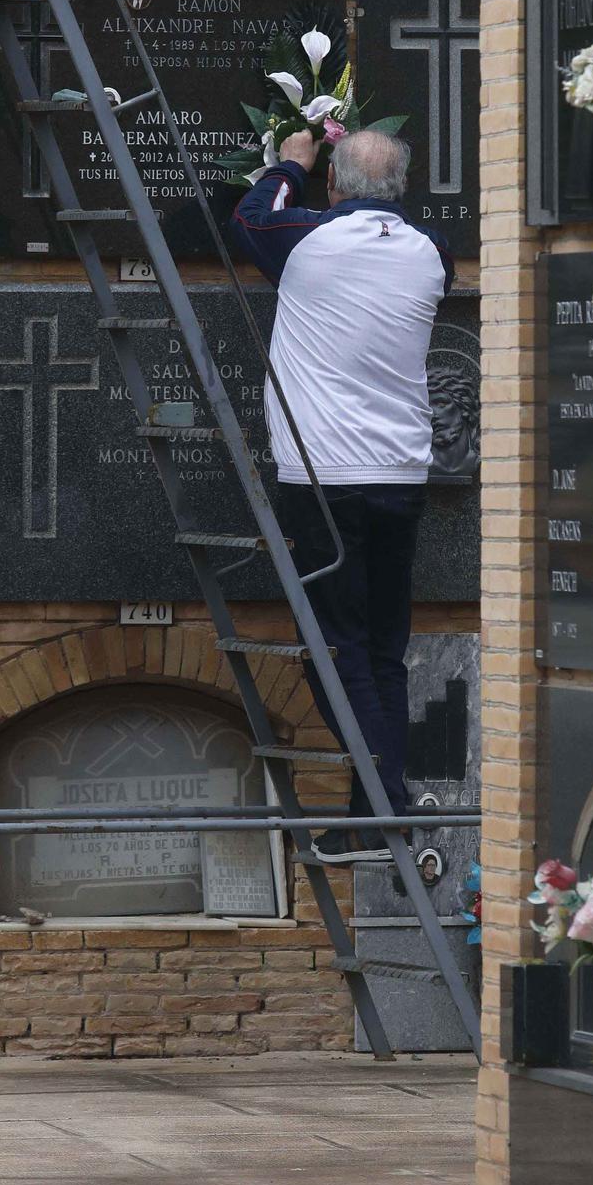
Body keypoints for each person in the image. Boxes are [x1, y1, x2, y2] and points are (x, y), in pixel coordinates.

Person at [231, 128, 452, 864]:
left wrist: (291, 157)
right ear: (403, 186)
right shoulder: (430, 254)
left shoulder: (307, 244)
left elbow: (252, 216)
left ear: (336, 186)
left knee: (334, 650)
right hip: (399, 477)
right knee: (383, 650)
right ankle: (370, 816)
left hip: (322, 478)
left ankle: (386, 807)